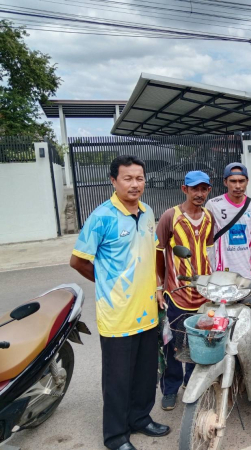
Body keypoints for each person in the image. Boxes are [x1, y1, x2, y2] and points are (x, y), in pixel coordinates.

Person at [70, 155, 169, 450]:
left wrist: (157, 286)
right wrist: (108, 283)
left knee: (145, 373)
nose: (135, 184)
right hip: (116, 316)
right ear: (113, 181)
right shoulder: (101, 217)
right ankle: (115, 436)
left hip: (147, 311)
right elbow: (78, 261)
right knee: (117, 381)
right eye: (128, 178)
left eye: (139, 178)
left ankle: (140, 419)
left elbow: (151, 254)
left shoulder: (148, 212)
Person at [155, 170, 215, 411]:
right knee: (172, 343)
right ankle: (170, 388)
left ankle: (191, 382)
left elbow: (208, 252)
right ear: (184, 190)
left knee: (197, 342)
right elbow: (159, 253)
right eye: (194, 189)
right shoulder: (171, 216)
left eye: (204, 189)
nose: (199, 194)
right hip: (177, 293)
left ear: (209, 190)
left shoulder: (209, 217)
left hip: (202, 294)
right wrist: (160, 286)